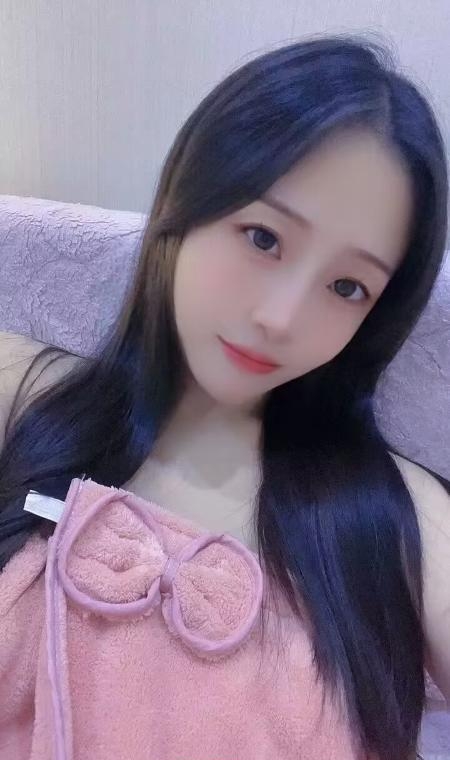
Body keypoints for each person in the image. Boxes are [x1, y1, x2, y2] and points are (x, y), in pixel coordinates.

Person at [0, 31, 449, 760]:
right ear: (186, 202)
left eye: (347, 286)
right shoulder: (25, 392)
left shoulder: (397, 515)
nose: (280, 317)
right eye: (263, 238)